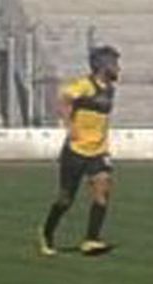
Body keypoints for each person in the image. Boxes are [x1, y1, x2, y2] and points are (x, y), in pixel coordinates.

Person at [38, 45, 119, 256]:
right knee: (65, 199)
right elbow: (64, 98)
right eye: (114, 63)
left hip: (98, 151)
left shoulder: (110, 88)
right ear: (102, 65)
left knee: (103, 190)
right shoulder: (84, 85)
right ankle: (47, 233)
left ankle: (91, 239)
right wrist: (69, 125)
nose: (118, 67)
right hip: (76, 150)